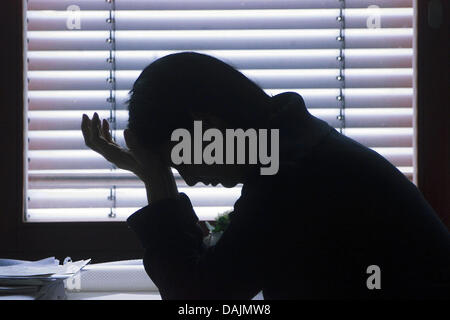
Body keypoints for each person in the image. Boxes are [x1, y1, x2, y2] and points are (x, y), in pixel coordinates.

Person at [81, 52, 450, 299]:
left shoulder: (290, 177)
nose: (189, 180)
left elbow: (199, 300)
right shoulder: (295, 151)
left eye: (180, 163)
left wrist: (156, 182)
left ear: (208, 131)